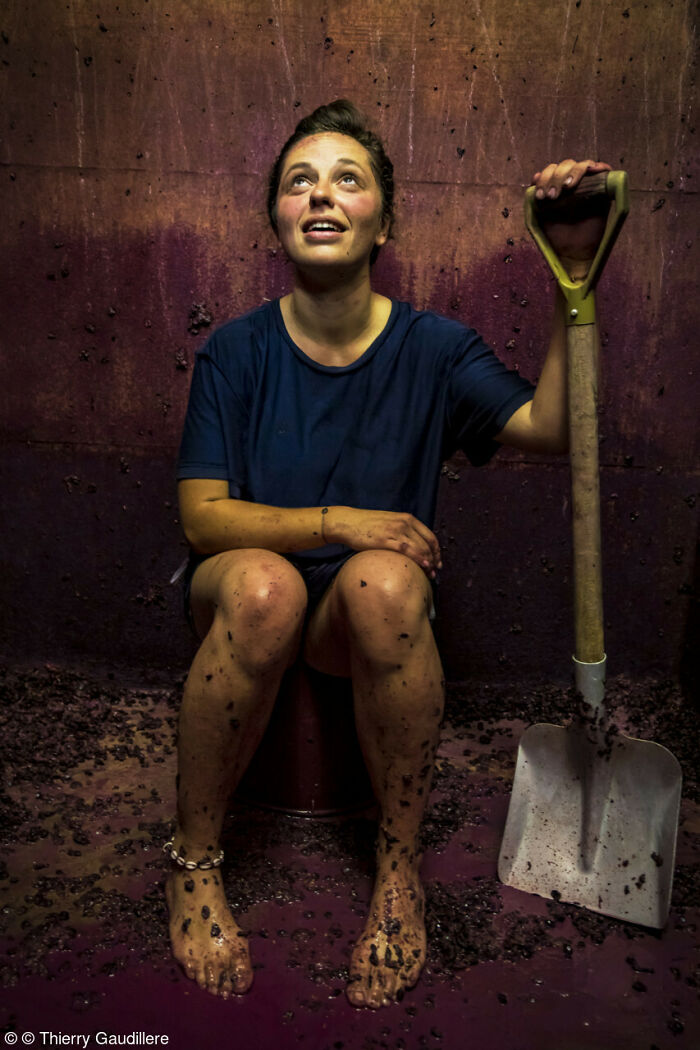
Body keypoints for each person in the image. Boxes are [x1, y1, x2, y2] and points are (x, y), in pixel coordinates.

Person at [164, 99, 610, 1009]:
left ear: (383, 222)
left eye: (347, 180)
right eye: (299, 181)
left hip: (355, 616)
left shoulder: (435, 348)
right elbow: (203, 520)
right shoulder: (236, 352)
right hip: (246, 592)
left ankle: (397, 868)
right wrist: (342, 518)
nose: (321, 196)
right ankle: (195, 860)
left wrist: (573, 277)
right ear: (277, 218)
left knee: (387, 579)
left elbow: (555, 426)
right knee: (261, 584)